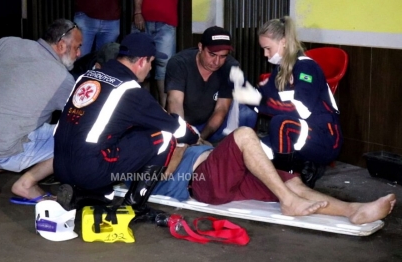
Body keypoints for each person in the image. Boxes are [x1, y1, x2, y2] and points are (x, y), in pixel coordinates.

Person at [53, 32, 200, 213]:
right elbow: (176, 128)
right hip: (89, 168)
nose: (151, 69)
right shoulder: (129, 89)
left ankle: (78, 195)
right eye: (152, 63)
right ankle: (134, 207)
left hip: (60, 165)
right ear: (141, 61)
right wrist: (194, 135)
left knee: (107, 192)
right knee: (164, 136)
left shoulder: (88, 76)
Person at [151, 127, 396, 225]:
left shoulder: (157, 134)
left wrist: (187, 141)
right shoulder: (136, 154)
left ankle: (352, 210)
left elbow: (190, 140)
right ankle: (288, 202)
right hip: (203, 181)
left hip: (226, 174)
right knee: (245, 134)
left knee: (293, 182)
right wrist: (179, 146)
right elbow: (163, 173)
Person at [0, 14, 82, 204]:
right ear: (61, 46)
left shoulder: (10, 44)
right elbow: (82, 119)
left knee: (23, 125)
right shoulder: (63, 79)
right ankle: (27, 185)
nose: (79, 53)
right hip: (5, 151)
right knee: (76, 140)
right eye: (77, 47)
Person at [233, 16, 343, 188]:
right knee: (254, 150)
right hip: (300, 133)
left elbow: (302, 110)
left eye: (268, 48)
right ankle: (300, 167)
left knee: (280, 123)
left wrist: (257, 101)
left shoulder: (306, 68)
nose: (265, 54)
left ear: (283, 42)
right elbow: (262, 98)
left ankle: (288, 181)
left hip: (325, 138)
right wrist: (240, 85)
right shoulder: (279, 70)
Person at [166, 26, 258, 143]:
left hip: (211, 127)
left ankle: (225, 150)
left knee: (247, 114)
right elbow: (175, 102)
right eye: (212, 54)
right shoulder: (179, 63)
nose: (216, 62)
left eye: (223, 56)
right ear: (200, 47)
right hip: (184, 125)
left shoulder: (230, 67)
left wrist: (201, 138)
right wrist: (183, 136)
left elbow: (221, 108)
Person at [132, 0, 178, 108]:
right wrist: (137, 12)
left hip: (167, 21)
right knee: (139, 65)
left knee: (164, 68)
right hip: (143, 19)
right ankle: (139, 108)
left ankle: (164, 110)